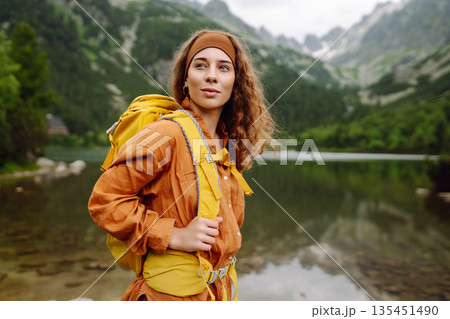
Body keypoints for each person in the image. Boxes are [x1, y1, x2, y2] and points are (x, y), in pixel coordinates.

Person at [88, 29, 275, 301]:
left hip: (216, 295)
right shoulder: (167, 134)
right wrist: (174, 236)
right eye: (201, 65)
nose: (212, 75)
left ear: (236, 83)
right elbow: (106, 201)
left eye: (224, 68)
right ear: (186, 80)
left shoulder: (225, 147)